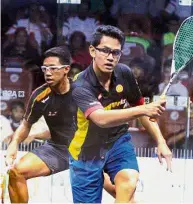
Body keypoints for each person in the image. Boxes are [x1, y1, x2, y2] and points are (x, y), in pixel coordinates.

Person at [69, 25, 172, 203]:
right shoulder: (80, 85)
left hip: (117, 141)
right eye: (105, 51)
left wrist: (161, 141)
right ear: (92, 51)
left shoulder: (124, 73)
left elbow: (141, 110)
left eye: (116, 53)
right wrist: (143, 109)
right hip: (86, 151)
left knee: (129, 181)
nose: (110, 57)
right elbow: (100, 119)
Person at [5, 46, 115, 203]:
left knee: (120, 192)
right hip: (57, 149)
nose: (47, 72)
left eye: (53, 68)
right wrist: (14, 143)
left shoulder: (83, 92)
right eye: (44, 68)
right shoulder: (40, 95)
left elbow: (103, 120)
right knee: (17, 172)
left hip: (88, 151)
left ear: (66, 69)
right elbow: (26, 124)